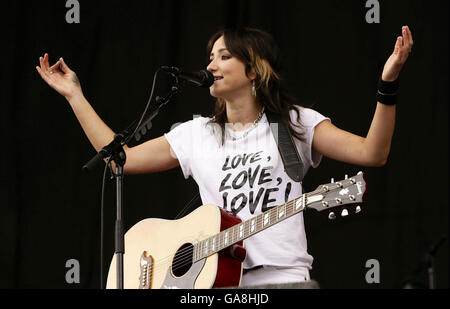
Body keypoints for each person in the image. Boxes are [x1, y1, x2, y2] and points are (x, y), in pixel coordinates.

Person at [36, 26, 413, 288]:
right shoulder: (197, 133)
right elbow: (122, 159)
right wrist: (75, 96)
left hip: (283, 281)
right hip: (215, 285)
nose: (211, 65)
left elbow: (372, 153)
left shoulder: (292, 124)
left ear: (252, 69)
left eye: (224, 56)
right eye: (210, 57)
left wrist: (388, 84)